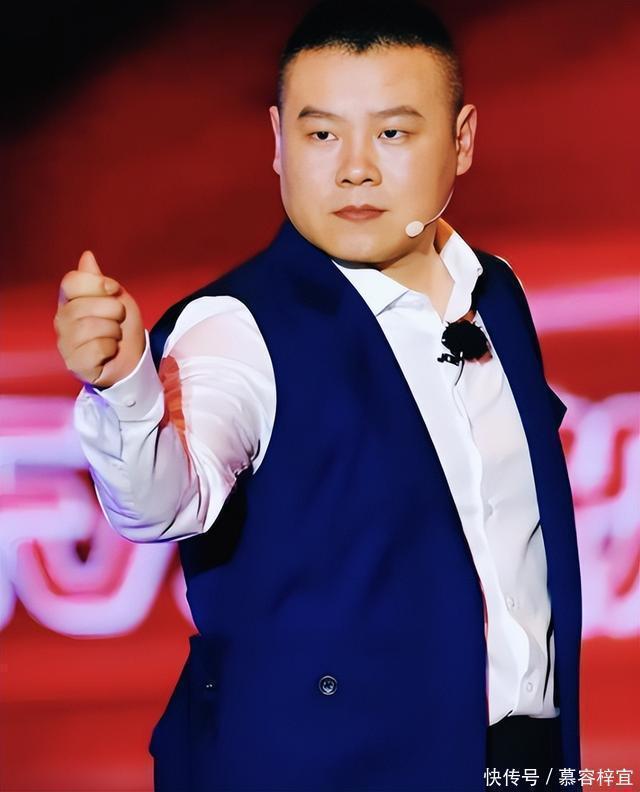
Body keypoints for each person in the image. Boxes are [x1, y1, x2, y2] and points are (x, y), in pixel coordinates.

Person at [53, 1, 582, 789]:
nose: (354, 169)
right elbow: (165, 502)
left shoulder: (498, 293)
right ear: (277, 142)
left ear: (462, 140)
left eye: (393, 133)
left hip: (523, 757)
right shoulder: (236, 326)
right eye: (322, 134)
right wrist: (123, 385)